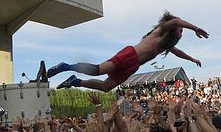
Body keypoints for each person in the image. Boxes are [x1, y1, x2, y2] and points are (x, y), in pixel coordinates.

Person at [47, 11, 209, 92]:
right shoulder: (161, 31)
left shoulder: (164, 45)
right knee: (97, 70)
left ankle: (74, 81)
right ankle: (65, 66)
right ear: (173, 30)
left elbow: (178, 52)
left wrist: (192, 59)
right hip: (130, 55)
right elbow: (176, 21)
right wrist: (195, 28)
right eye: (180, 31)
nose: (181, 34)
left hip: (133, 66)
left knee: (105, 87)